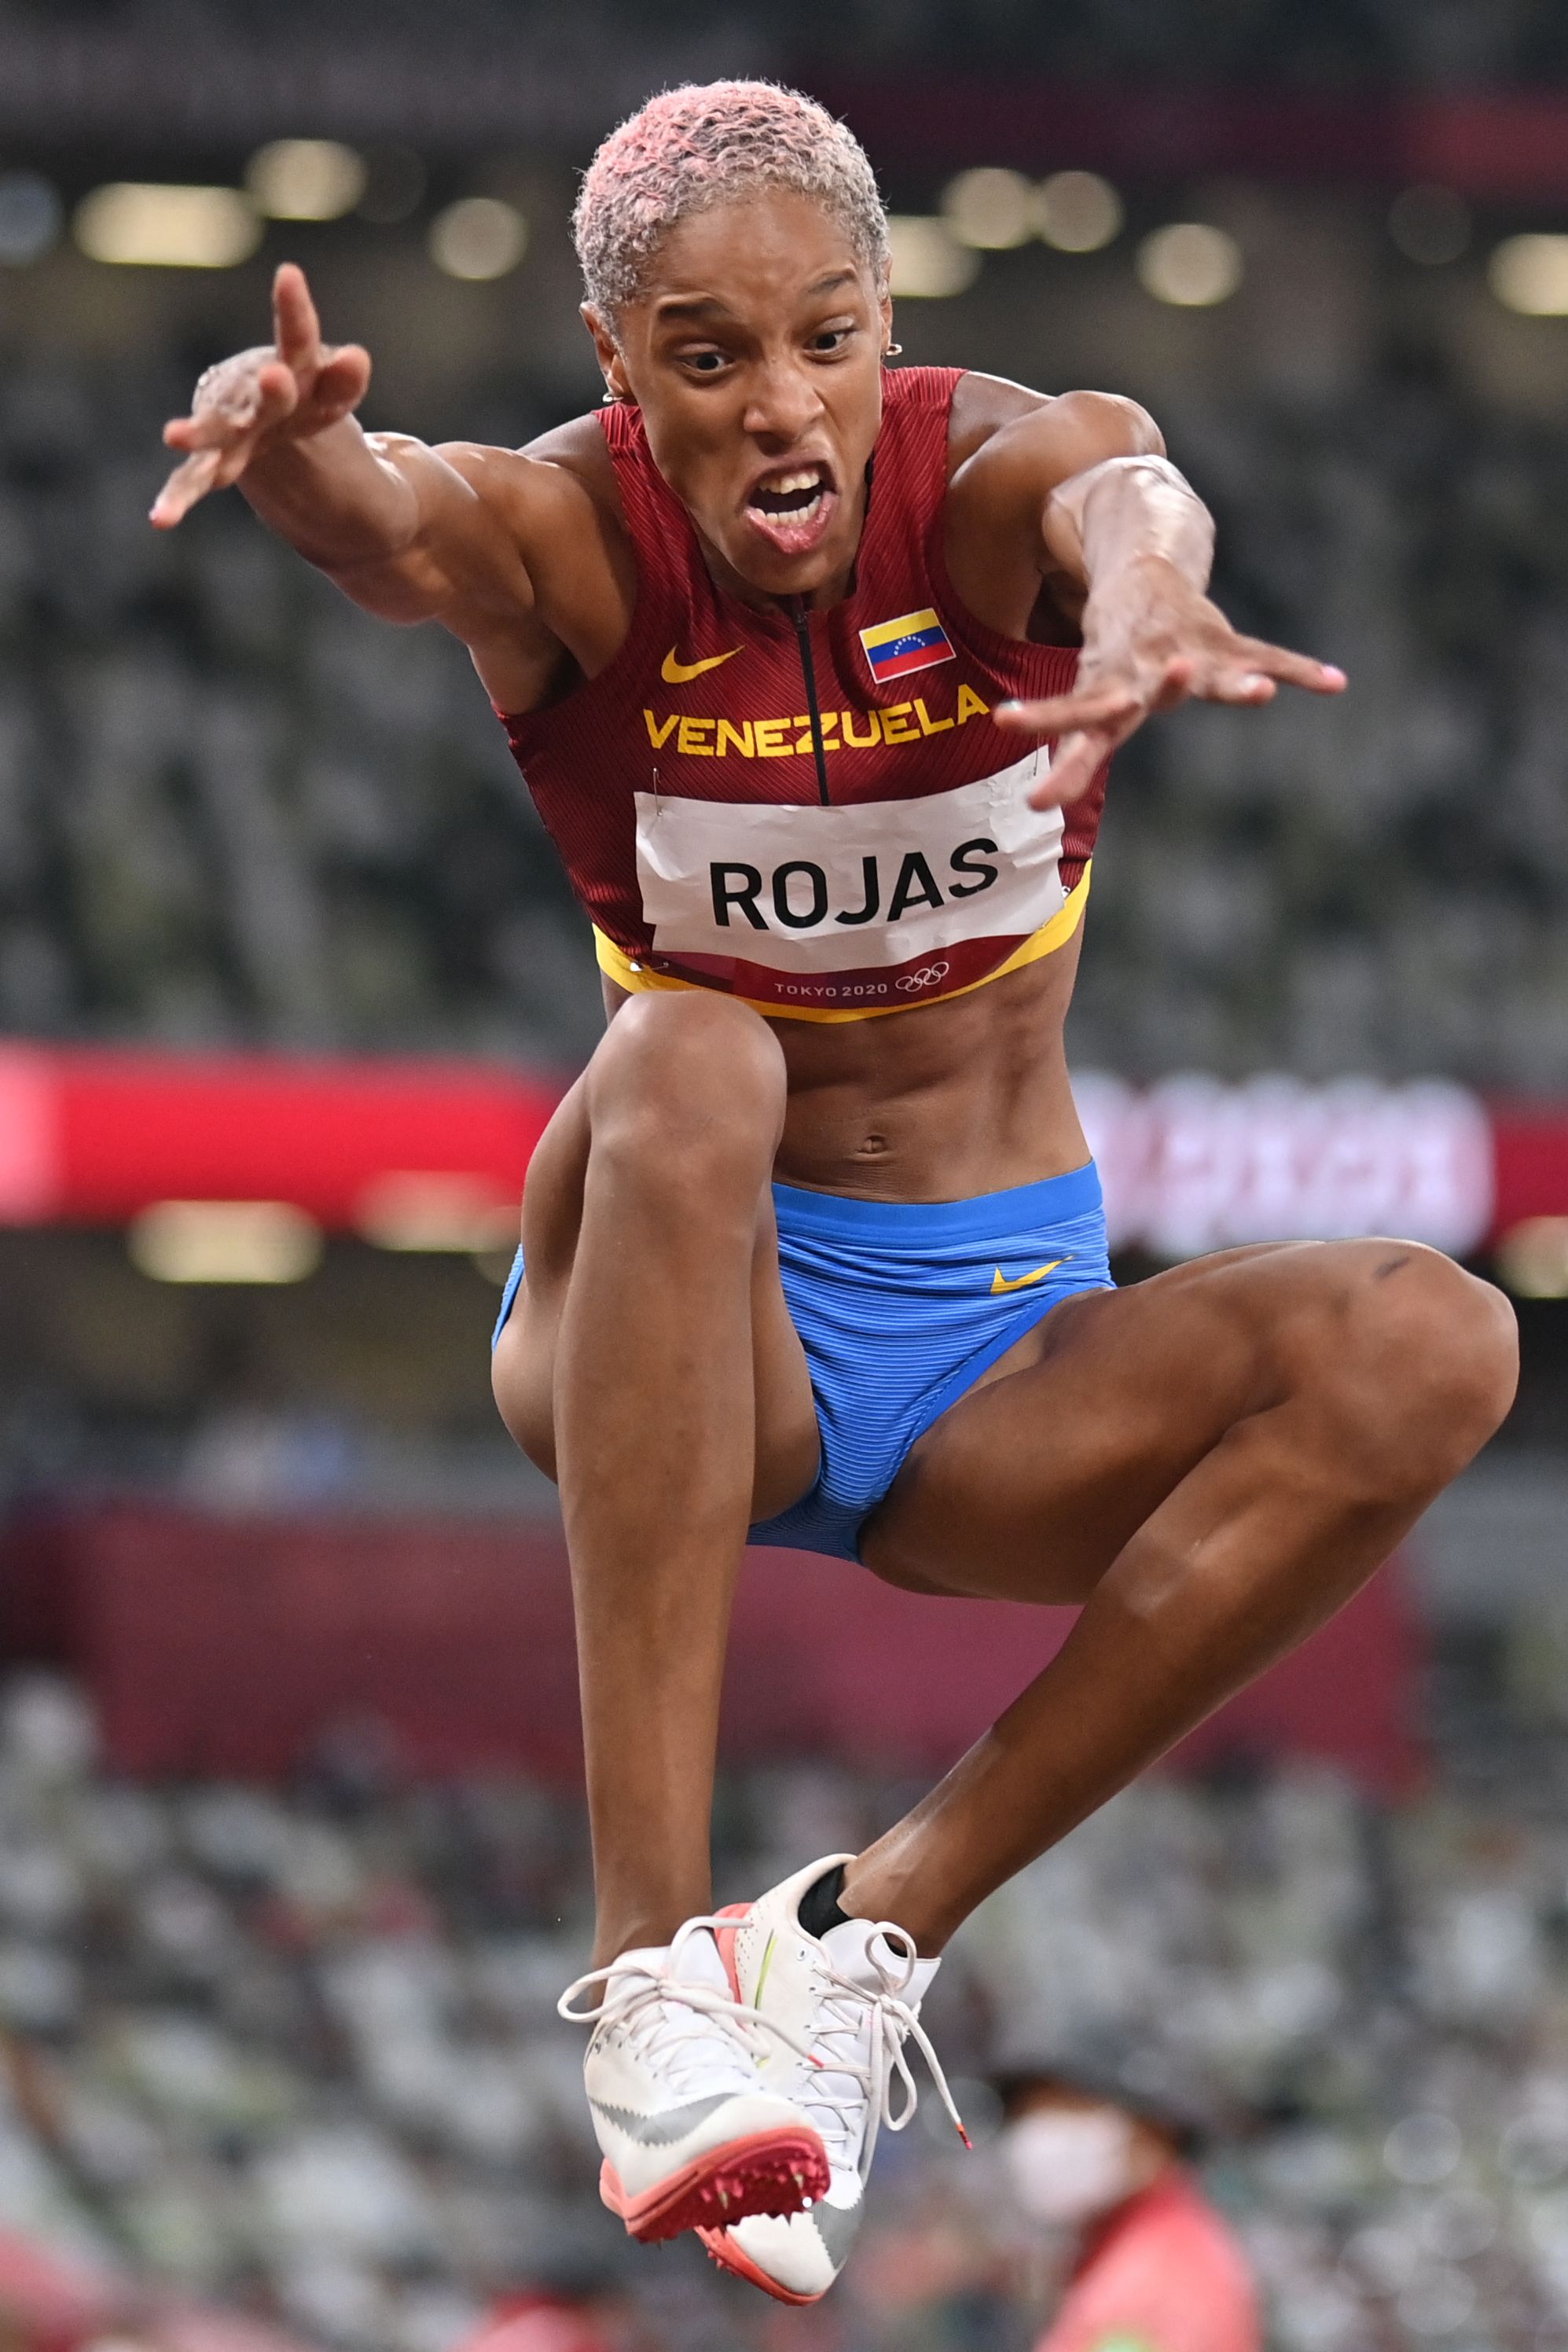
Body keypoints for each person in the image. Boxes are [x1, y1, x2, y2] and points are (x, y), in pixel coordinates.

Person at [151, 78, 1518, 2306]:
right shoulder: (574, 541)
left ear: (886, 326)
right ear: (623, 373)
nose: (779, 404)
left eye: (826, 337)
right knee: (695, 1047)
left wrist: (1154, 603)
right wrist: (285, 440)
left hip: (989, 1361)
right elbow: (398, 522)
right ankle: (651, 1987)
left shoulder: (988, 482)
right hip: (680, 1316)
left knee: (1437, 1340)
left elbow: (1130, 494)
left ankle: (859, 1931)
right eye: (706, 357)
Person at [995, 2052, 1261, 2352]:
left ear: (1153, 2130)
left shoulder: (1160, 2277)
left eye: (1071, 2108)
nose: (1038, 2138)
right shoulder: (1122, 2250)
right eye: (1026, 2114)